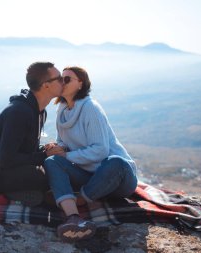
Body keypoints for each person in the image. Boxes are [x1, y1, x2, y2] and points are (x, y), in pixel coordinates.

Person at [44, 66, 138, 242]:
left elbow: (101, 150)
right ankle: (74, 218)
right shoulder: (63, 110)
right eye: (60, 79)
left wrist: (67, 156)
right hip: (89, 176)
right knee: (52, 161)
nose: (61, 82)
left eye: (67, 79)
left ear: (81, 84)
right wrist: (58, 148)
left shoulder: (91, 108)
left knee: (115, 161)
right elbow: (64, 140)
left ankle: (78, 200)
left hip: (118, 178)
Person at [0, 61, 64, 207]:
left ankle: (34, 192)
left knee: (55, 166)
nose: (63, 82)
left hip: (7, 168)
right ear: (46, 85)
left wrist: (45, 149)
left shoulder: (39, 111)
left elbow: (24, 149)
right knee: (42, 176)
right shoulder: (19, 112)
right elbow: (6, 160)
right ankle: (13, 194)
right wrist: (44, 156)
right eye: (59, 78)